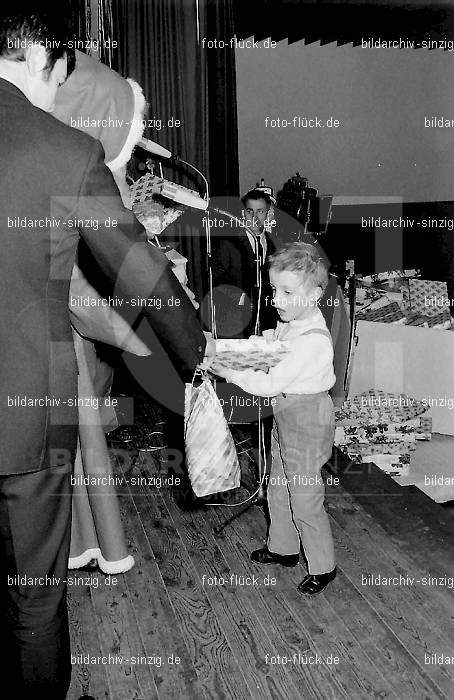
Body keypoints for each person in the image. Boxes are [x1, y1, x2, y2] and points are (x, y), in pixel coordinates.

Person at [0, 8, 206, 698]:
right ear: (37, 57)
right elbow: (138, 272)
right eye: (57, 76)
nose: (55, 94)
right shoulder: (60, 149)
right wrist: (194, 350)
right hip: (24, 416)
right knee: (34, 596)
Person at [216, 242, 337, 595]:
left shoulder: (312, 340)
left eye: (287, 291)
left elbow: (268, 382)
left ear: (314, 294)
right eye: (274, 290)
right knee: (278, 484)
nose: (277, 299)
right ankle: (284, 548)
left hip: (307, 416)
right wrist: (235, 348)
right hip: (287, 414)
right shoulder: (293, 322)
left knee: (304, 495)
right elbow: (272, 344)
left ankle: (323, 565)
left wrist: (225, 367)